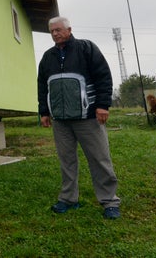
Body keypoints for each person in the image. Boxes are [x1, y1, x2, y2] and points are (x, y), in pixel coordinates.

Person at [37, 16, 121, 219]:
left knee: (99, 158)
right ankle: (68, 199)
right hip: (61, 120)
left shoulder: (86, 48)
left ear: (69, 29)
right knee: (67, 161)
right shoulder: (48, 57)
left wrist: (102, 105)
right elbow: (42, 85)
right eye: (52, 31)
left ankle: (109, 201)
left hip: (88, 117)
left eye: (58, 30)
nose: (55, 34)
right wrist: (44, 111)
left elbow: (103, 76)